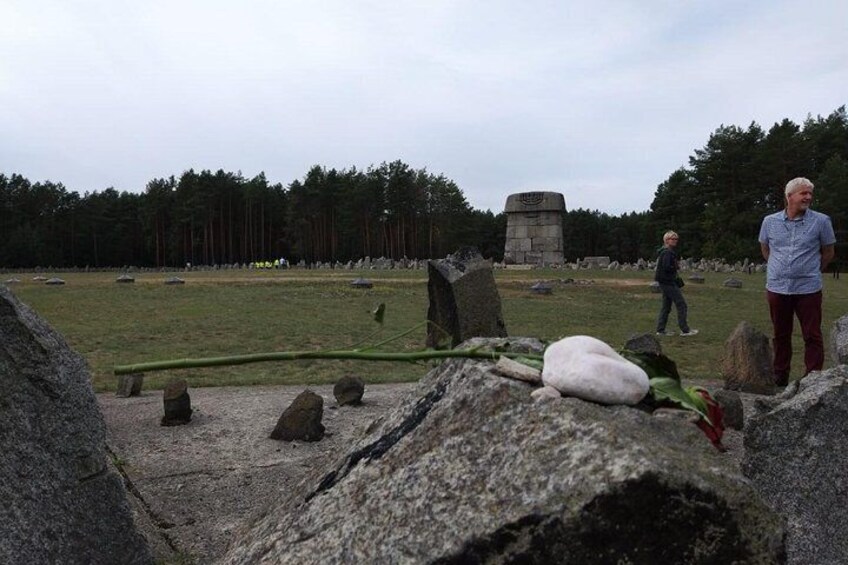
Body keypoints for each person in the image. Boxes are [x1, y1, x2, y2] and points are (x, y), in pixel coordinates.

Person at [759, 177, 836, 386]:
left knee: (812, 334)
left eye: (810, 193)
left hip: (808, 288)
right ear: (789, 196)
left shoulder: (821, 221)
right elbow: (765, 249)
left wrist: (812, 270)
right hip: (777, 287)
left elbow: (828, 252)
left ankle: (813, 377)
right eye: (804, 193)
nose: (808, 197)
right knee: (780, 334)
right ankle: (780, 374)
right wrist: (779, 268)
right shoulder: (769, 221)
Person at [655, 230, 698, 337]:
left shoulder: (665, 251)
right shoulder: (667, 252)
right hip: (668, 282)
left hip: (664, 281)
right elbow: (666, 267)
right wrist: (675, 266)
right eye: (672, 239)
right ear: (666, 240)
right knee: (681, 304)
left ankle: (660, 330)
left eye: (676, 239)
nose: (675, 241)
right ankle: (685, 330)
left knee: (666, 306)